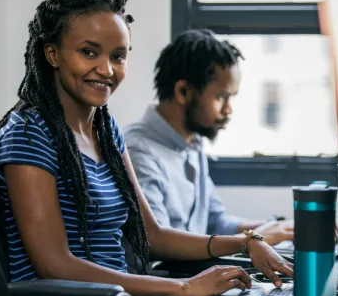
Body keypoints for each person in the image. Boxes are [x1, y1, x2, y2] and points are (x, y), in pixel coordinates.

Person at [0, 0, 292, 296]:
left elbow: (153, 235)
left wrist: (246, 242)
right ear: (52, 54)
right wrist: (184, 288)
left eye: (118, 56)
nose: (106, 69)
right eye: (88, 52)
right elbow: (55, 266)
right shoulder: (29, 135)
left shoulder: (106, 132)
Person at [123, 29, 294, 246]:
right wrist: (255, 239)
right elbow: (160, 244)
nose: (228, 110)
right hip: (168, 276)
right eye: (221, 97)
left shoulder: (192, 144)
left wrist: (280, 228)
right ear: (183, 92)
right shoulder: (137, 152)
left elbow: (216, 222)